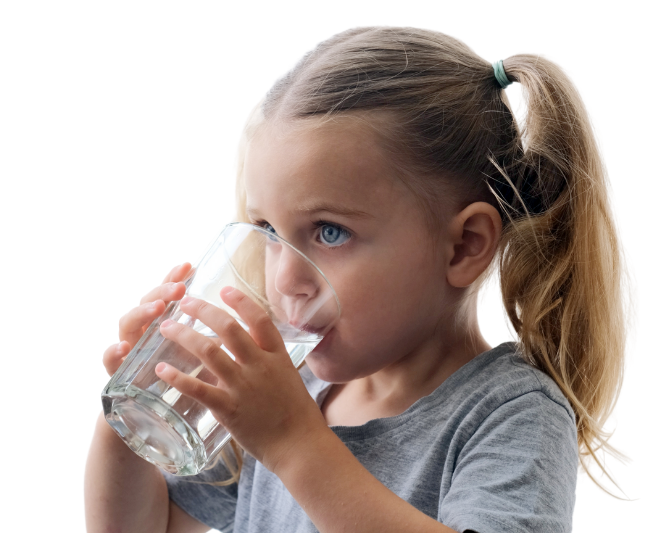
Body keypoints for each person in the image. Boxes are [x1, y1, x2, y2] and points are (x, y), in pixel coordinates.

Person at [84, 26, 626, 533]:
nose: (286, 279)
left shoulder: (511, 414)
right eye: (269, 230)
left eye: (330, 232)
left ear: (464, 245)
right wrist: (129, 418)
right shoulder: (288, 388)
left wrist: (294, 444)